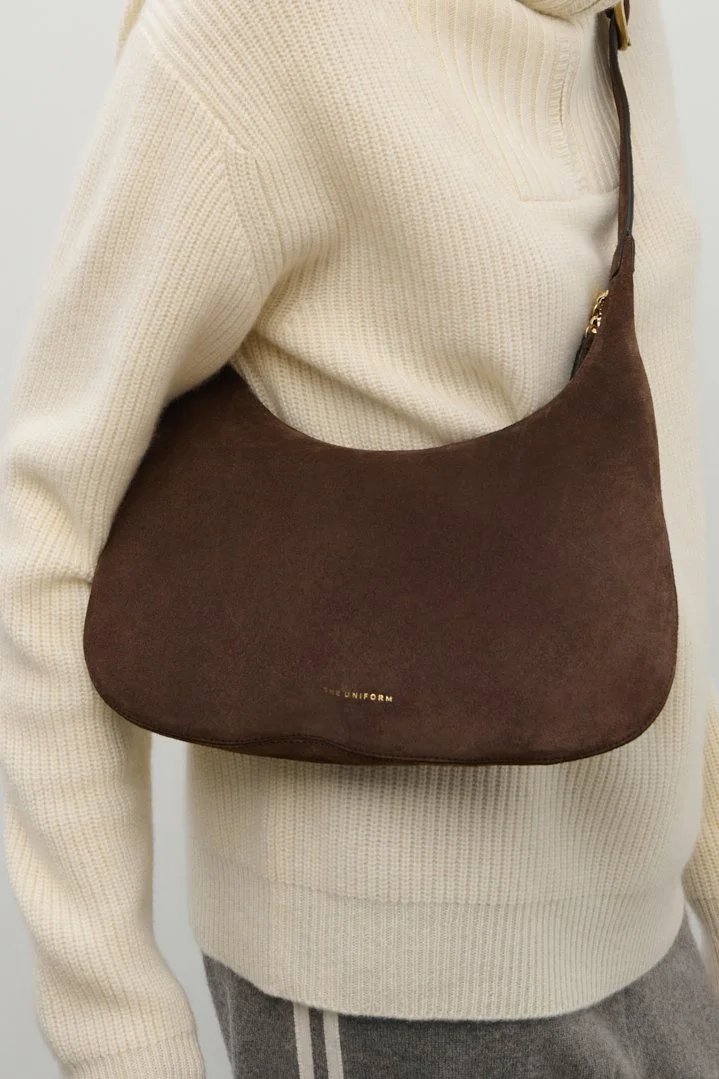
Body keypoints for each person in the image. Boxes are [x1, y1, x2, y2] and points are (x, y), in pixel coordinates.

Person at [0, 0, 717, 1076]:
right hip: (388, 991)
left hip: (647, 947)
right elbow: (50, 517)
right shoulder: (255, 33)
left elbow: (639, 521)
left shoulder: (617, 23)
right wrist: (118, 1033)